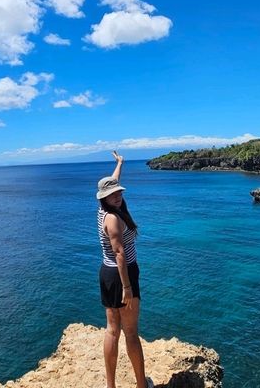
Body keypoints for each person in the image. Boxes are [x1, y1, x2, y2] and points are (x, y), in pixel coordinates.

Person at [97, 151, 153, 388]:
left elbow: (112, 182)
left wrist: (119, 164)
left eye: (118, 192)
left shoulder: (104, 210)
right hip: (123, 274)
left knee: (112, 329)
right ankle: (141, 384)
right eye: (112, 194)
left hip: (107, 274)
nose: (117, 196)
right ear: (104, 198)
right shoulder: (113, 219)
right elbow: (120, 254)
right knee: (130, 332)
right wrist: (127, 287)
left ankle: (111, 386)